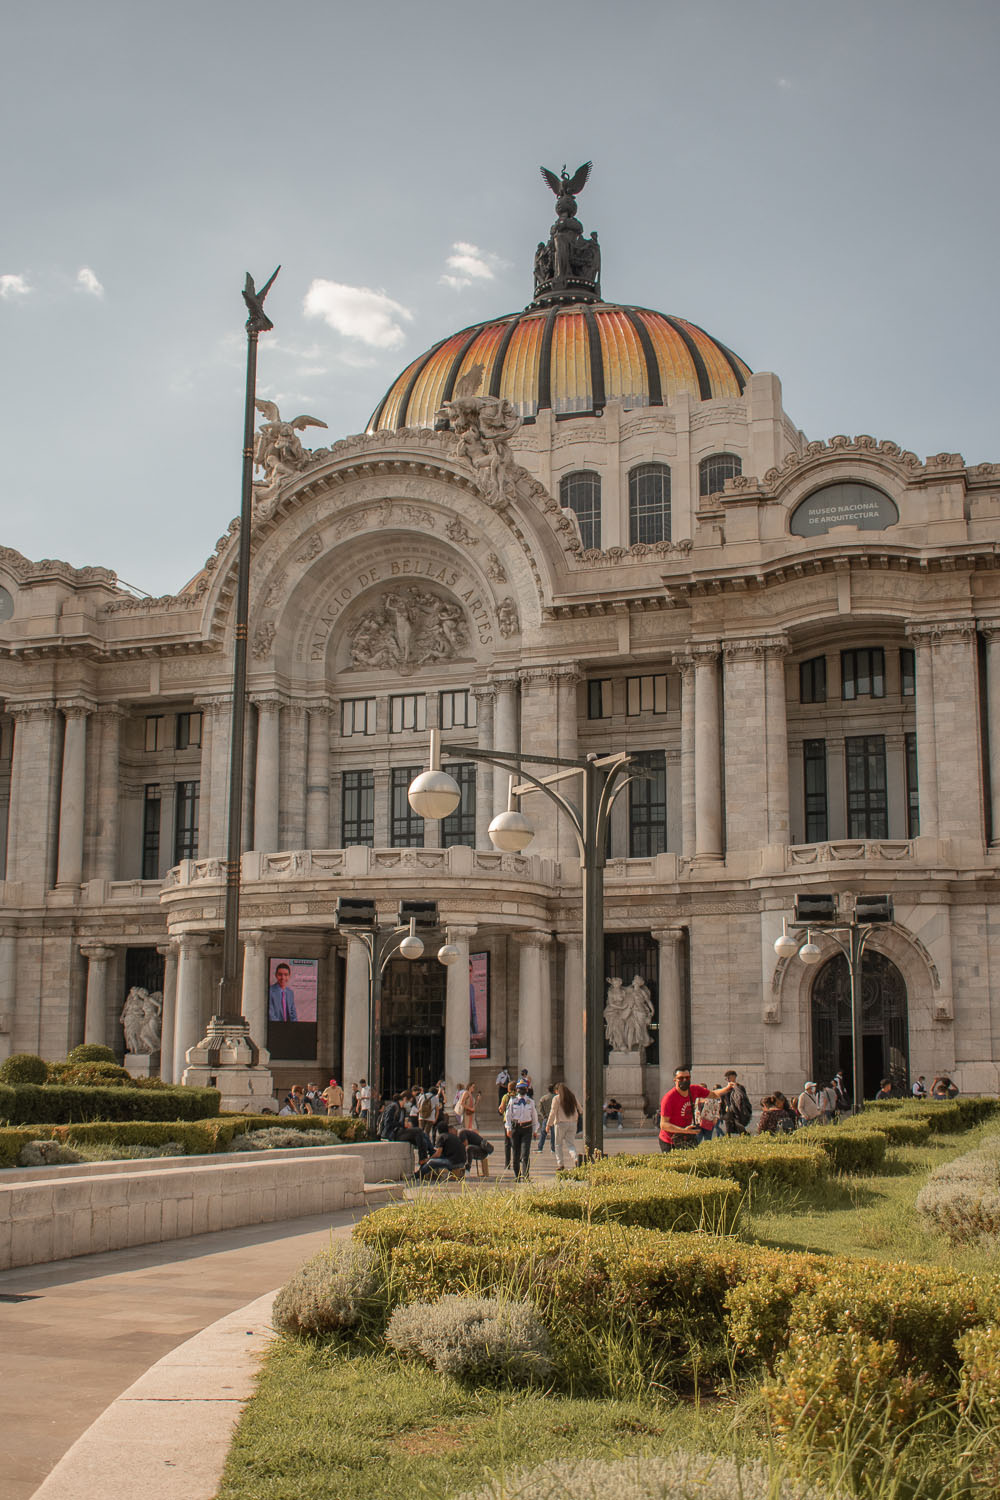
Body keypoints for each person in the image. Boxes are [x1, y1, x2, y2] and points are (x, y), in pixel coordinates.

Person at [658, 1067, 733, 1152]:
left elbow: (713, 1094)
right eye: (681, 1078)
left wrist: (727, 1088)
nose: (685, 1080)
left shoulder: (694, 1090)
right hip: (670, 1141)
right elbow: (663, 1124)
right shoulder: (668, 1098)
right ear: (675, 1080)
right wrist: (684, 1131)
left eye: (687, 1077)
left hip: (687, 1138)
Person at [505, 1080, 539, 1179]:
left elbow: (534, 1116)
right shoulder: (512, 1101)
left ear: (527, 1089)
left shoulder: (530, 1102)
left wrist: (535, 1130)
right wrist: (508, 1128)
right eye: (520, 1088)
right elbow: (508, 1115)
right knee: (515, 1153)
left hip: (527, 1129)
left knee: (525, 1153)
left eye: (524, 1088)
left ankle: (526, 1175)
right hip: (516, 1128)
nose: (522, 1090)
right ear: (517, 1090)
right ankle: (517, 1175)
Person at [547, 1082, 580, 1170]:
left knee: (558, 1144)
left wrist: (548, 1124)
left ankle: (560, 1164)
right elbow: (580, 1109)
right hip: (573, 1123)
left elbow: (553, 1112)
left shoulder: (557, 1098)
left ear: (557, 1091)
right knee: (570, 1144)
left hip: (560, 1124)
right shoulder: (572, 1097)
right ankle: (575, 1158)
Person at [720, 1070, 753, 1135]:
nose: (727, 1080)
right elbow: (723, 1099)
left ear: (734, 1077)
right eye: (726, 1078)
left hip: (738, 1110)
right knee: (728, 1128)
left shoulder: (739, 1087)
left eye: (729, 1077)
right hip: (729, 1110)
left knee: (739, 1125)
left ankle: (744, 1136)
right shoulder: (726, 1088)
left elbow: (743, 1098)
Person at [537, 1085, 555, 1153]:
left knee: (543, 1133)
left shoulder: (543, 1098)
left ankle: (540, 1148)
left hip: (546, 1117)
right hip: (554, 1118)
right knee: (553, 1134)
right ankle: (553, 1148)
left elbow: (541, 1109)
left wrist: (544, 1116)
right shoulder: (556, 1097)